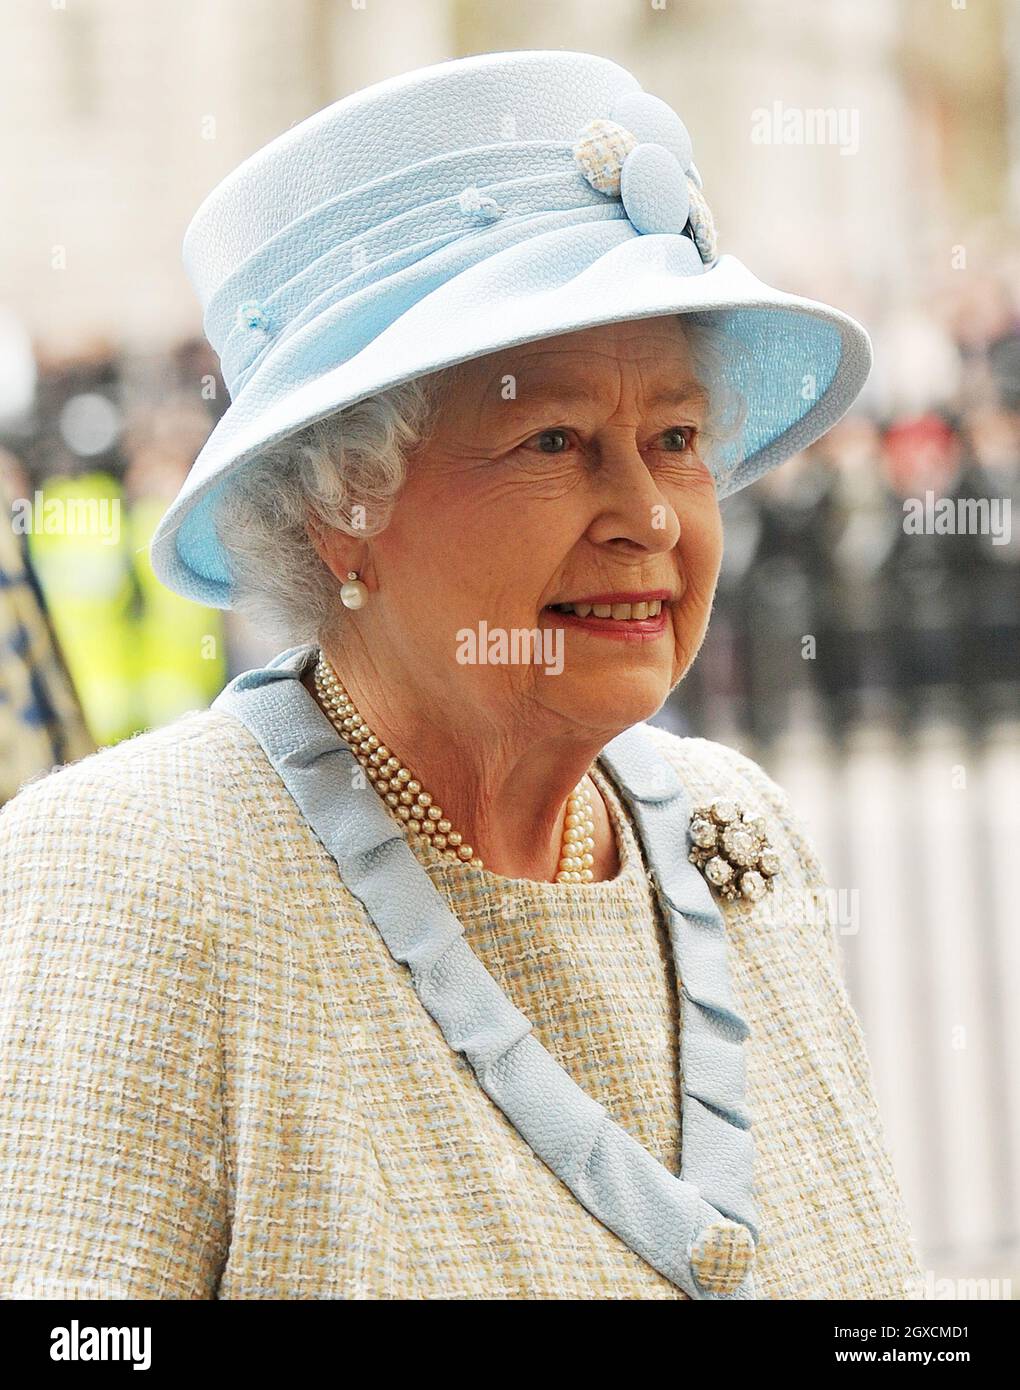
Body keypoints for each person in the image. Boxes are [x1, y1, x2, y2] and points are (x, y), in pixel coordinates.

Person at [0, 50, 922, 1301]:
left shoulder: (735, 832)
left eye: (676, 437)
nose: (649, 514)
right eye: (555, 440)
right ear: (343, 505)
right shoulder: (139, 874)